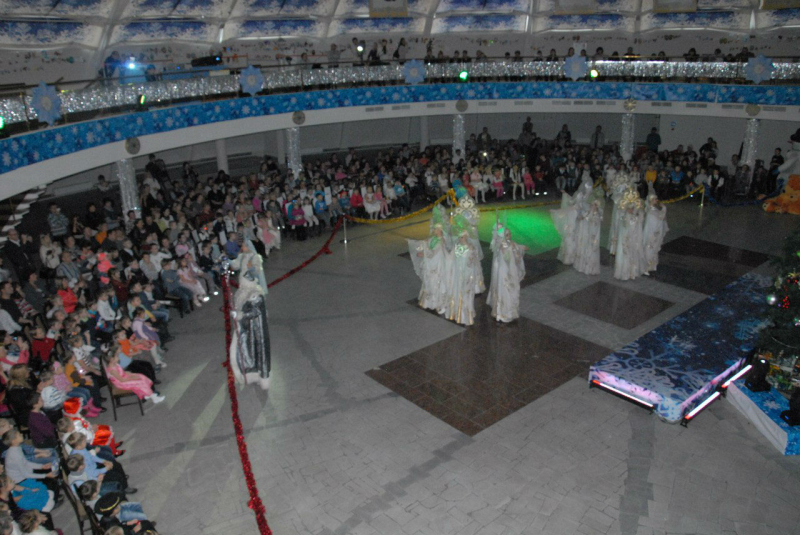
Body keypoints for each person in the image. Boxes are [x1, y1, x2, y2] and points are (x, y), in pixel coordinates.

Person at [407, 205, 452, 315]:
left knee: (435, 281)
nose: (434, 230)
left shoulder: (441, 241)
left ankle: (438, 302)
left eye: (436, 229)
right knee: (430, 282)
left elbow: (434, 253)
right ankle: (429, 300)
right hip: (432, 263)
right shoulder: (434, 238)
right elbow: (426, 244)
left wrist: (424, 254)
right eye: (434, 229)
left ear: (440, 230)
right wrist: (417, 244)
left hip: (437, 265)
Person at [487, 220, 527, 323]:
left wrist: (518, 248)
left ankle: (505, 311)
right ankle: (504, 312)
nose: (509, 235)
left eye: (509, 234)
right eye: (507, 234)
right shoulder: (503, 246)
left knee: (509, 288)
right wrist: (515, 249)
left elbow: (514, 253)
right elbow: (508, 257)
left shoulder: (506, 244)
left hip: (506, 269)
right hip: (504, 270)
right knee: (506, 287)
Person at [444, 215, 478, 326]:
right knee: (456, 291)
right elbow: (450, 258)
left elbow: (471, 263)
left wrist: (468, 267)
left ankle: (464, 315)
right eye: (459, 237)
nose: (460, 239)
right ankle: (455, 312)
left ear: (466, 237)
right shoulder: (457, 246)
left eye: (462, 237)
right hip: (457, 274)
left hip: (466, 274)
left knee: (465, 293)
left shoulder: (471, 248)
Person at [614, 188, 647, 281]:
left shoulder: (634, 217)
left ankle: (632, 272)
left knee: (632, 254)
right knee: (625, 254)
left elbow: (638, 222)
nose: (631, 210)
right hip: (625, 239)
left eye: (632, 208)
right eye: (629, 208)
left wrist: (639, 214)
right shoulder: (624, 217)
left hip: (633, 238)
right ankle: (624, 272)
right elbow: (623, 226)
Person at [573, 197, 604, 276]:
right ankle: (583, 266)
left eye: (594, 205)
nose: (592, 206)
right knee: (585, 248)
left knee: (591, 249)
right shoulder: (588, 213)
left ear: (597, 206)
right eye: (592, 205)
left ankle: (590, 267)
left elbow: (595, 225)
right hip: (586, 235)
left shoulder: (597, 215)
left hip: (592, 236)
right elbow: (581, 219)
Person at [642, 194, 669, 272]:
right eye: (655, 199)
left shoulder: (655, 210)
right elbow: (654, 222)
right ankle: (646, 266)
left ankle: (651, 265)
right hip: (651, 234)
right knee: (649, 249)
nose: (656, 200)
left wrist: (664, 208)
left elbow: (661, 217)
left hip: (655, 234)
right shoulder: (650, 212)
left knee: (653, 249)